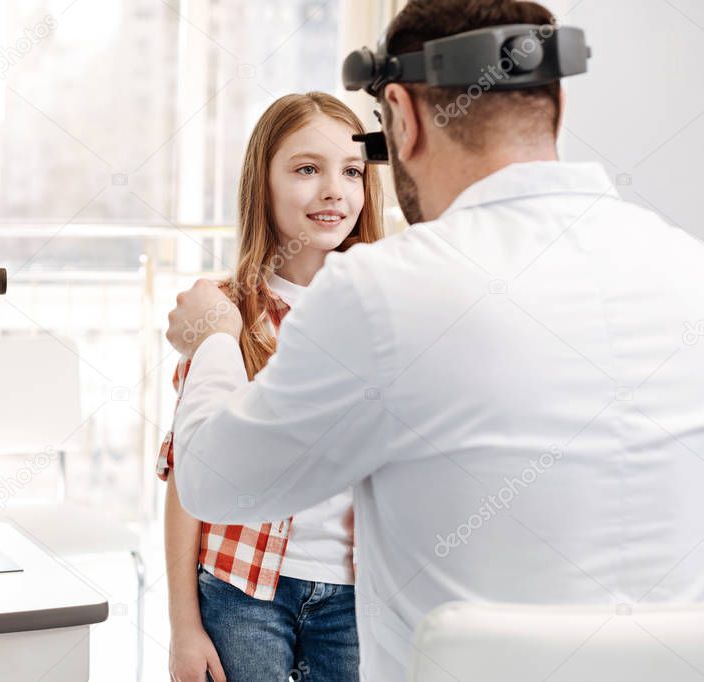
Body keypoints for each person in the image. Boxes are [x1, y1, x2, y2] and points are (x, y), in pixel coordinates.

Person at [164, 1, 704, 680]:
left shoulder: (380, 289)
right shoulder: (688, 269)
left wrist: (214, 339)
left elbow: (214, 481)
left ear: (400, 113)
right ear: (556, 103)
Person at [159, 92, 383, 682]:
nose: (334, 189)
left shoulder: (387, 311)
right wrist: (185, 628)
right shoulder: (222, 311)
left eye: (352, 170)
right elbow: (187, 476)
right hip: (244, 591)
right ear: (263, 183)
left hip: (359, 595)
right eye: (308, 169)